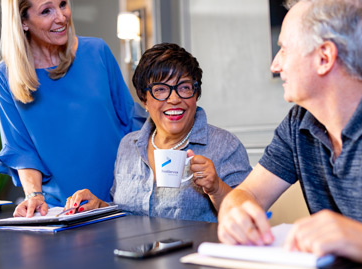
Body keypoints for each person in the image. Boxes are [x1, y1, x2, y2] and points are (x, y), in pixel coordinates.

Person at [218, 0, 362, 264]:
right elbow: (250, 193)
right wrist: (234, 212)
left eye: (283, 50)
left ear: (324, 57)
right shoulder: (297, 123)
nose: (275, 65)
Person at [65, 43, 252, 222]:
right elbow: (125, 214)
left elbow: (250, 218)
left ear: (196, 94)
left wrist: (216, 188)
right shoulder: (128, 146)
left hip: (195, 253)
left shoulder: (226, 146)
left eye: (184, 87)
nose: (174, 99)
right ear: (144, 100)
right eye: (161, 90)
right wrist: (99, 207)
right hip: (134, 254)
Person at [0, 0, 143, 217]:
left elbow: (131, 122)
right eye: (46, 11)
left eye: (63, 4)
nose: (61, 17)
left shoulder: (97, 51)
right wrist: (34, 195)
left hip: (117, 200)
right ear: (23, 21)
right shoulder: (5, 75)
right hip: (59, 210)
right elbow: (21, 149)